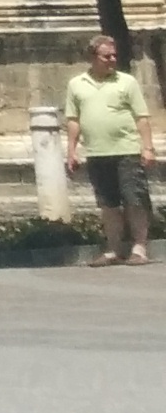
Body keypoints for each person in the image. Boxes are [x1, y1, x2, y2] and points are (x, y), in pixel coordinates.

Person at [64, 33, 154, 268]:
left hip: (127, 150)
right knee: (108, 204)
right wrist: (71, 150)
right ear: (93, 57)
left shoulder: (127, 82)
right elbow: (73, 120)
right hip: (96, 152)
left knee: (135, 200)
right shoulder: (76, 84)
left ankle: (139, 248)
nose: (113, 59)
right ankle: (113, 249)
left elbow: (142, 117)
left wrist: (147, 148)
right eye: (107, 56)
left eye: (114, 55)